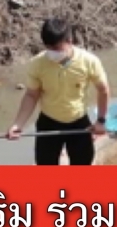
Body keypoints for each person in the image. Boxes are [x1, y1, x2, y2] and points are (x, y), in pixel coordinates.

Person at [6, 18, 109, 164]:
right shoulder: (37, 63)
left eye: (57, 49)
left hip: (78, 122)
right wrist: (18, 124)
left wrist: (101, 120)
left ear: (70, 40)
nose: (53, 53)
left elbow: (103, 90)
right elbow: (31, 95)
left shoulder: (89, 61)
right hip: (49, 123)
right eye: (50, 49)